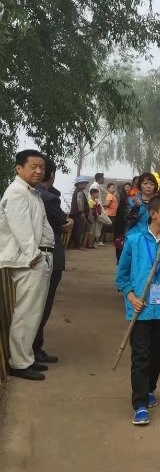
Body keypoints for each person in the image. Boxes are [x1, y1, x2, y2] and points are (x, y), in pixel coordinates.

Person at [115, 196, 160, 425]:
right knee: (141, 356)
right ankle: (139, 404)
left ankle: (149, 389)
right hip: (141, 309)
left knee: (158, 354)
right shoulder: (135, 240)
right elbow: (122, 276)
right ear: (153, 213)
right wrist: (132, 297)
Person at [0, 150, 54, 381]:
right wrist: (35, 258)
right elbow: (22, 231)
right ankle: (20, 363)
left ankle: (27, 357)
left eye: (41, 167)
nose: (39, 171)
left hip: (37, 260)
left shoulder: (32, 193)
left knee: (33, 313)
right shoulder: (17, 193)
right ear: (19, 168)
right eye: (33, 166)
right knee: (26, 313)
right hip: (28, 262)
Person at [33, 157, 73, 366]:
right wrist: (70, 222)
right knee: (43, 304)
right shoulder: (48, 199)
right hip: (49, 254)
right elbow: (63, 224)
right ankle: (34, 348)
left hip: (33, 254)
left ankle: (33, 348)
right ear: (52, 175)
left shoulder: (35, 194)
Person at [69, 176, 91, 249]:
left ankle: (73, 245)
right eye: (83, 184)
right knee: (78, 229)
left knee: (76, 229)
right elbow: (80, 203)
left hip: (75, 213)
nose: (85, 185)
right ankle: (77, 245)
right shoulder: (79, 192)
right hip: (78, 214)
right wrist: (82, 212)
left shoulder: (78, 191)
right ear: (79, 184)